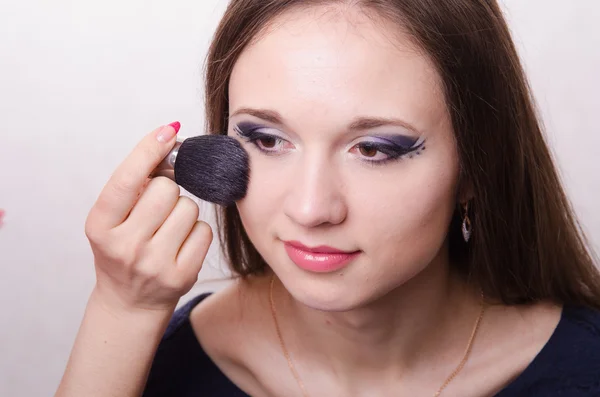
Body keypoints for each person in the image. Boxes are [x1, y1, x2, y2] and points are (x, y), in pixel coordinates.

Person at [55, 1, 600, 396]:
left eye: (374, 149)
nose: (311, 209)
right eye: (267, 140)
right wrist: (120, 310)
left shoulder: (582, 369)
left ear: (475, 166)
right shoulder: (160, 363)